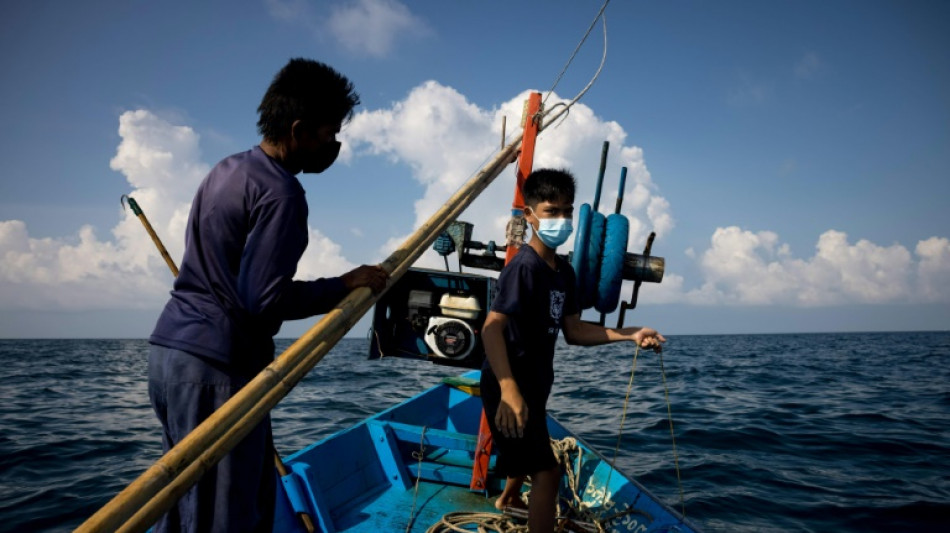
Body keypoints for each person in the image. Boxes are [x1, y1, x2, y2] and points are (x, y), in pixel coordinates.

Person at [147, 58, 388, 533]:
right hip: (216, 370)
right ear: (297, 130)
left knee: (182, 505)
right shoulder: (282, 193)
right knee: (222, 517)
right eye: (329, 134)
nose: (334, 146)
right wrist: (343, 285)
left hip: (170, 356)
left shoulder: (226, 170)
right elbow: (264, 301)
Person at [479, 168, 665, 532]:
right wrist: (508, 389)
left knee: (529, 447)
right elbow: (491, 329)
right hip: (507, 382)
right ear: (529, 215)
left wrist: (630, 334)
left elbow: (575, 331)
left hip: (535, 383)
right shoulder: (523, 269)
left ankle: (509, 498)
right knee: (548, 471)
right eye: (551, 211)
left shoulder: (564, 272)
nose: (561, 220)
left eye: (566, 211)